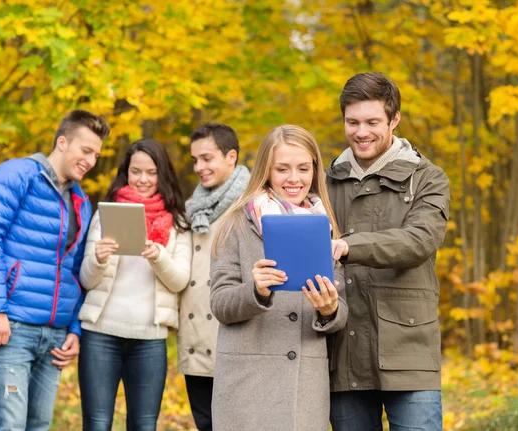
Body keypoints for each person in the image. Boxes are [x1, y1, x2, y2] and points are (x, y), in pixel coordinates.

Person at [0, 110, 109, 430]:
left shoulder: (81, 201)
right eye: (85, 150)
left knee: (39, 425)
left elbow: (74, 268)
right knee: (9, 424)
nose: (91, 160)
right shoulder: (16, 174)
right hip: (13, 328)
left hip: (55, 337)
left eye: (96, 155)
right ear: (62, 142)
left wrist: (74, 328)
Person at [326, 72, 451, 431]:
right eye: (352, 122)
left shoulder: (428, 178)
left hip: (409, 348)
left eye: (372, 122)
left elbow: (419, 241)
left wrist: (350, 246)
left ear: (394, 120)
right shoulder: (325, 179)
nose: (361, 132)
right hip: (343, 354)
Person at [209, 124, 349, 431]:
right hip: (247, 387)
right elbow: (219, 303)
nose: (294, 178)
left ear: (315, 170)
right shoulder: (236, 223)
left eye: (303, 168)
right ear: (266, 170)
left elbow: (341, 311)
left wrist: (330, 310)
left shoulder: (324, 225)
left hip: (303, 388)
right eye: (282, 169)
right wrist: (255, 291)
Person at [77, 139, 192, 430]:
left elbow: (179, 281)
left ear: (162, 174)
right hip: (100, 334)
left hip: (149, 340)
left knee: (143, 425)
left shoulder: (177, 222)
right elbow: (86, 280)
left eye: (151, 172)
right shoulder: (107, 213)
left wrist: (158, 257)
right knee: (97, 423)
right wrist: (99, 259)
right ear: (125, 172)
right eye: (135, 171)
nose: (142, 179)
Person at [179, 123, 250, 430]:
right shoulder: (192, 208)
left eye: (206, 158)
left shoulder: (251, 204)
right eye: (195, 160)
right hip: (195, 338)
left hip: (235, 338)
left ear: (231, 156)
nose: (199, 167)